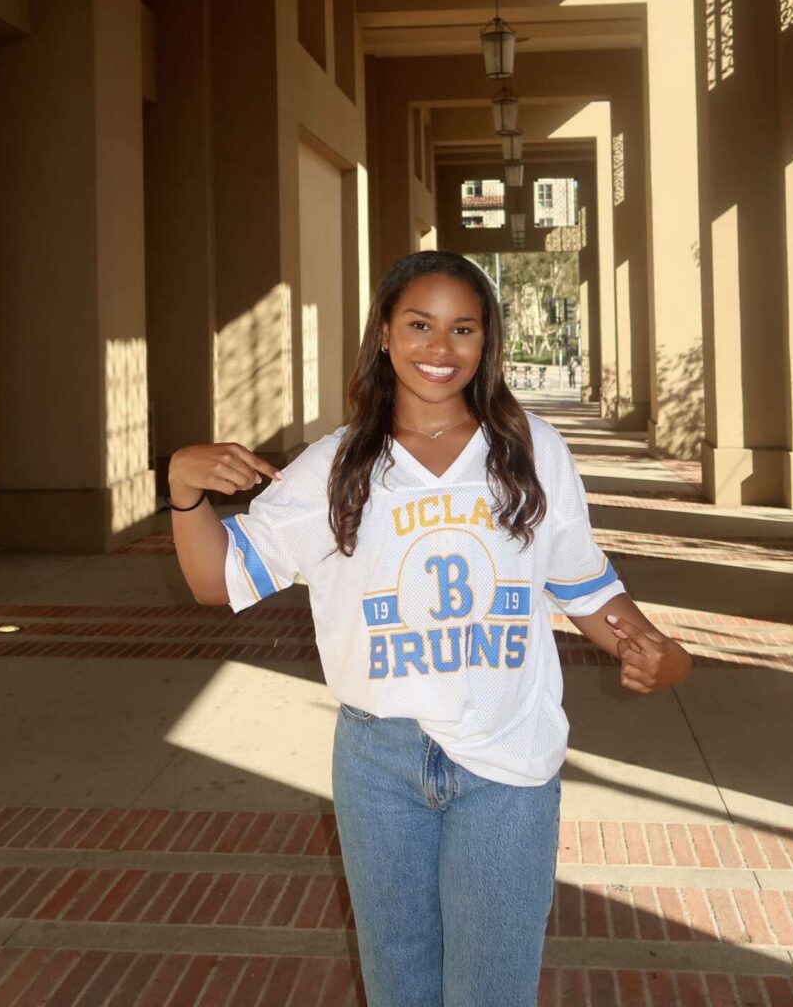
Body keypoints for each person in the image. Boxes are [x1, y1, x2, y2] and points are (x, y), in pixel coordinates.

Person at [169, 250, 692, 1007]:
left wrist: (655, 653)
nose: (439, 348)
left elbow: (588, 589)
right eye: (419, 325)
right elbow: (217, 580)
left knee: (492, 987)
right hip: (378, 762)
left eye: (463, 329)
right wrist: (185, 489)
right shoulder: (337, 465)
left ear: (487, 343)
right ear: (385, 333)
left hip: (506, 758)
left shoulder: (531, 452)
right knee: (398, 983)